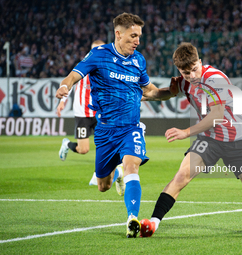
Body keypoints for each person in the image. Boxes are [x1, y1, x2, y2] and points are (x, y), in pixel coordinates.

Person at [140, 42, 242, 237]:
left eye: (195, 69)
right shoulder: (184, 80)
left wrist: (186, 132)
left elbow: (216, 116)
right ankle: (153, 224)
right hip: (210, 139)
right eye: (186, 73)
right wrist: (140, 96)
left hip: (237, 140)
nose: (192, 76)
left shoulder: (215, 79)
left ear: (200, 62)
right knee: (181, 176)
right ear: (179, 70)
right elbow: (167, 93)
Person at [55, 13, 176, 238]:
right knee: (103, 185)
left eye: (139, 36)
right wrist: (65, 87)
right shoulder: (99, 55)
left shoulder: (138, 60)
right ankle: (115, 175)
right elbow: (72, 76)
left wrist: (173, 91)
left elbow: (150, 91)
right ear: (118, 34)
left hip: (131, 128)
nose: (137, 40)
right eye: (133, 36)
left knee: (132, 166)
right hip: (104, 132)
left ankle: (132, 218)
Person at [57, 40, 110, 187]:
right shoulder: (83, 67)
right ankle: (67, 144)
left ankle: (97, 175)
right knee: (83, 149)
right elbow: (70, 82)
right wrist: (62, 102)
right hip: (82, 113)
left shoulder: (106, 68)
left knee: (105, 144)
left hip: (100, 113)